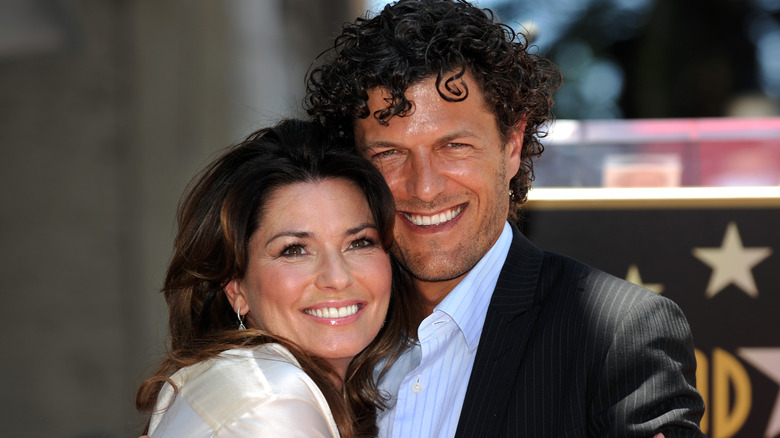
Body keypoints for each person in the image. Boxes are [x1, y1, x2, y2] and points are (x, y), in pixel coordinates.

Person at [305, 0, 706, 437]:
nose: (423, 187)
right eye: (389, 153)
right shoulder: (329, 322)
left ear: (512, 144)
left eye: (454, 146)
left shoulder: (617, 335)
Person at [136, 119, 423, 437]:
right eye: (295, 250)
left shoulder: (237, 384)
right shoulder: (269, 398)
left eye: (359, 242)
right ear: (236, 287)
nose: (337, 277)